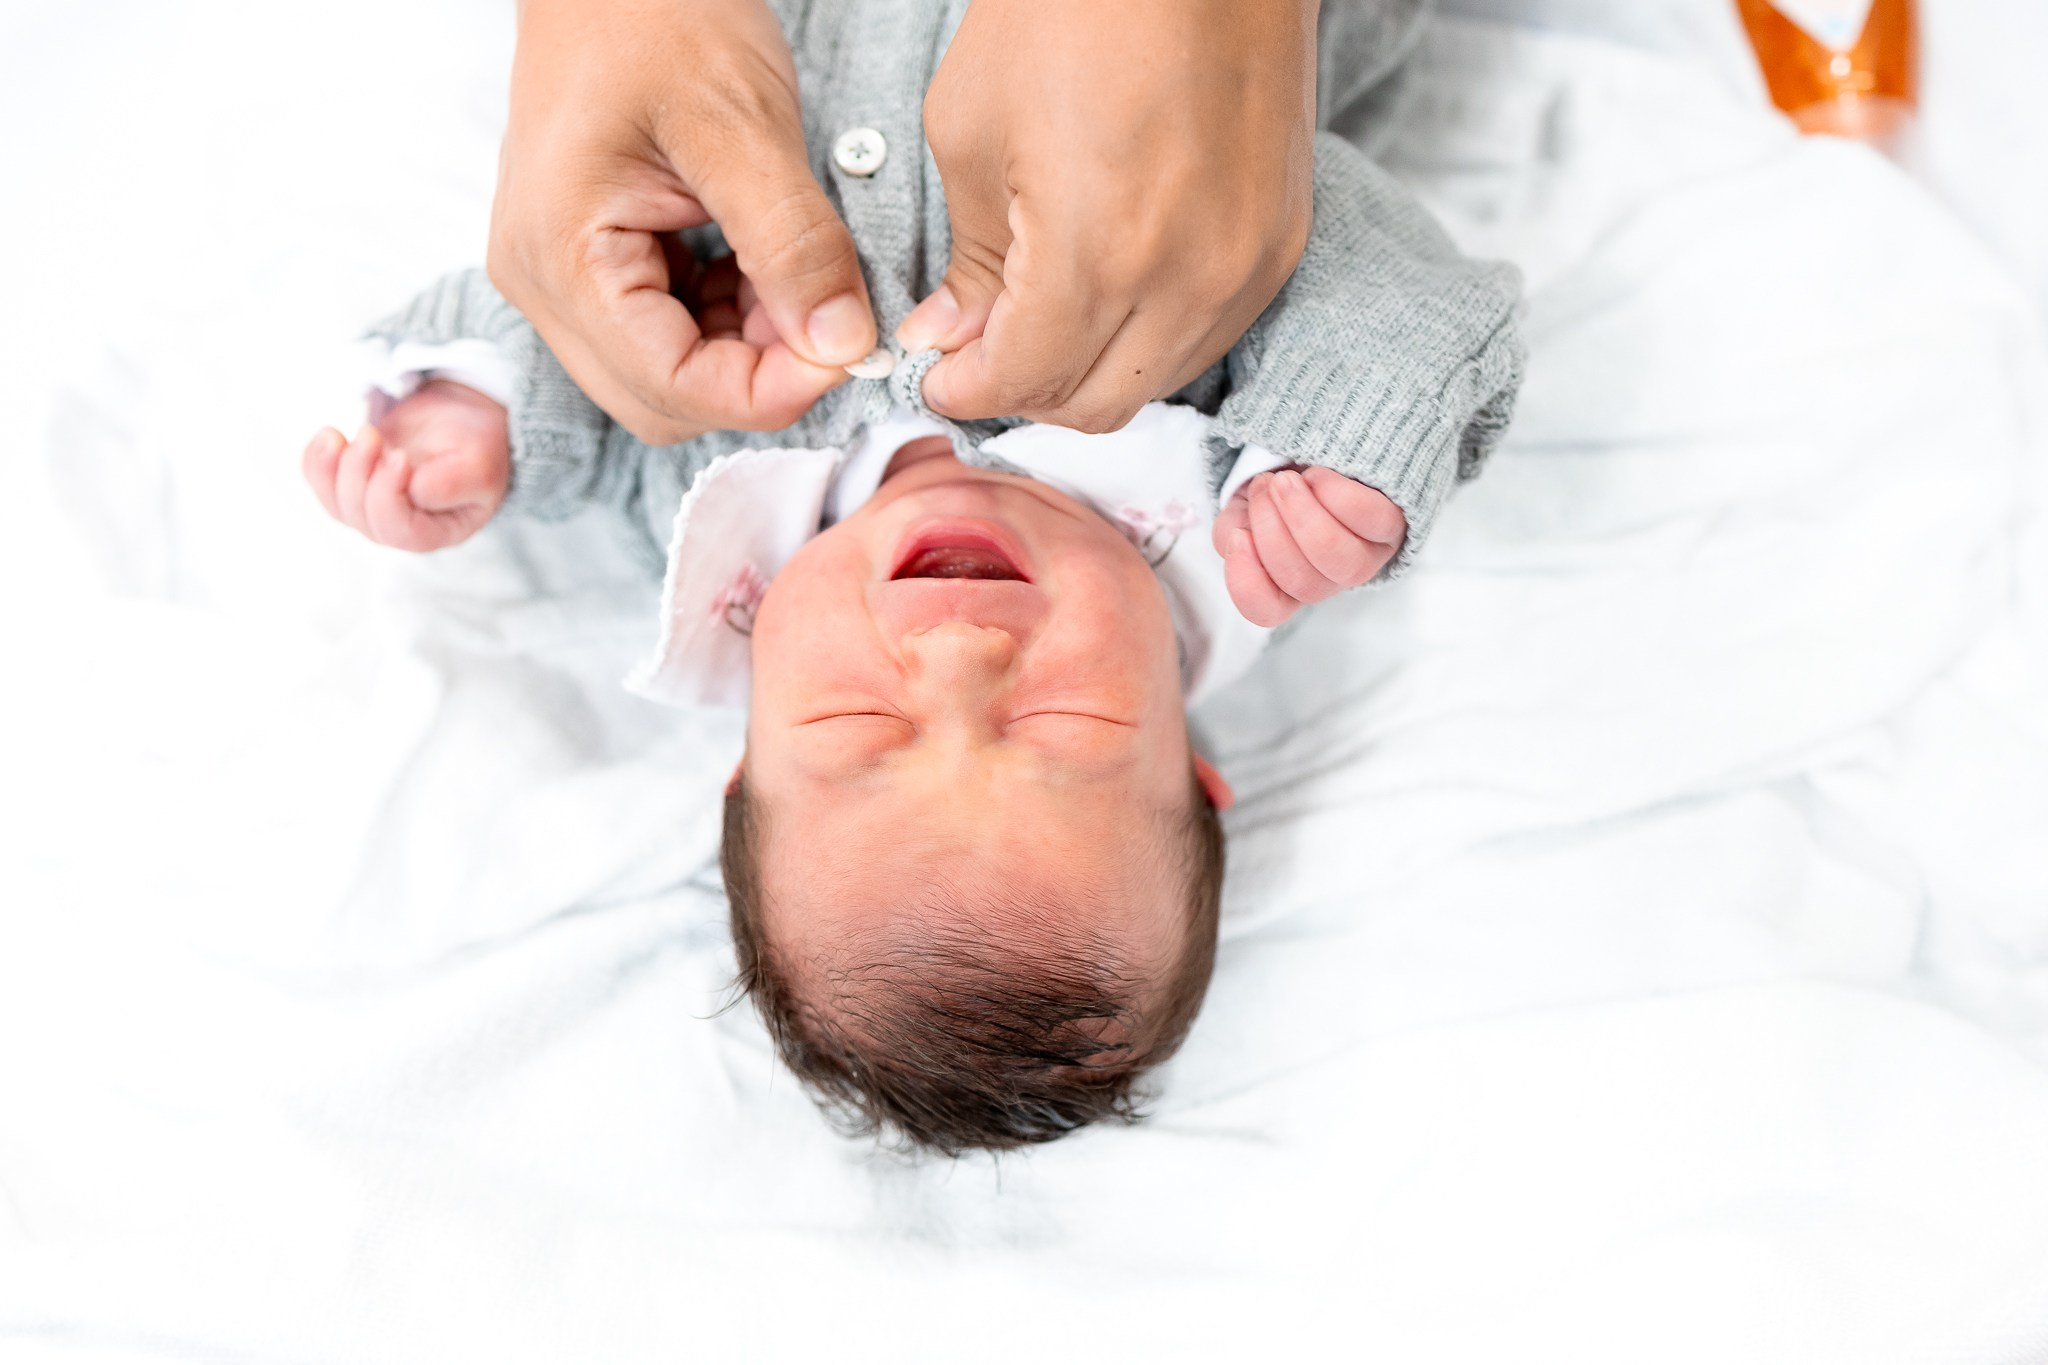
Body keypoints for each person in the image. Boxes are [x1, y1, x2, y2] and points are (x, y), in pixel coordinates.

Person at [300, 0, 1522, 1154]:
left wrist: (474, 407)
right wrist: (1350, 441)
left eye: (855, 720)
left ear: (750, 745)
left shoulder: (689, 497)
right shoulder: (1241, 502)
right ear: (1191, 759)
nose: (957, 655)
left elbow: (578, 300)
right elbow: (1359, 256)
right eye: (1060, 718)